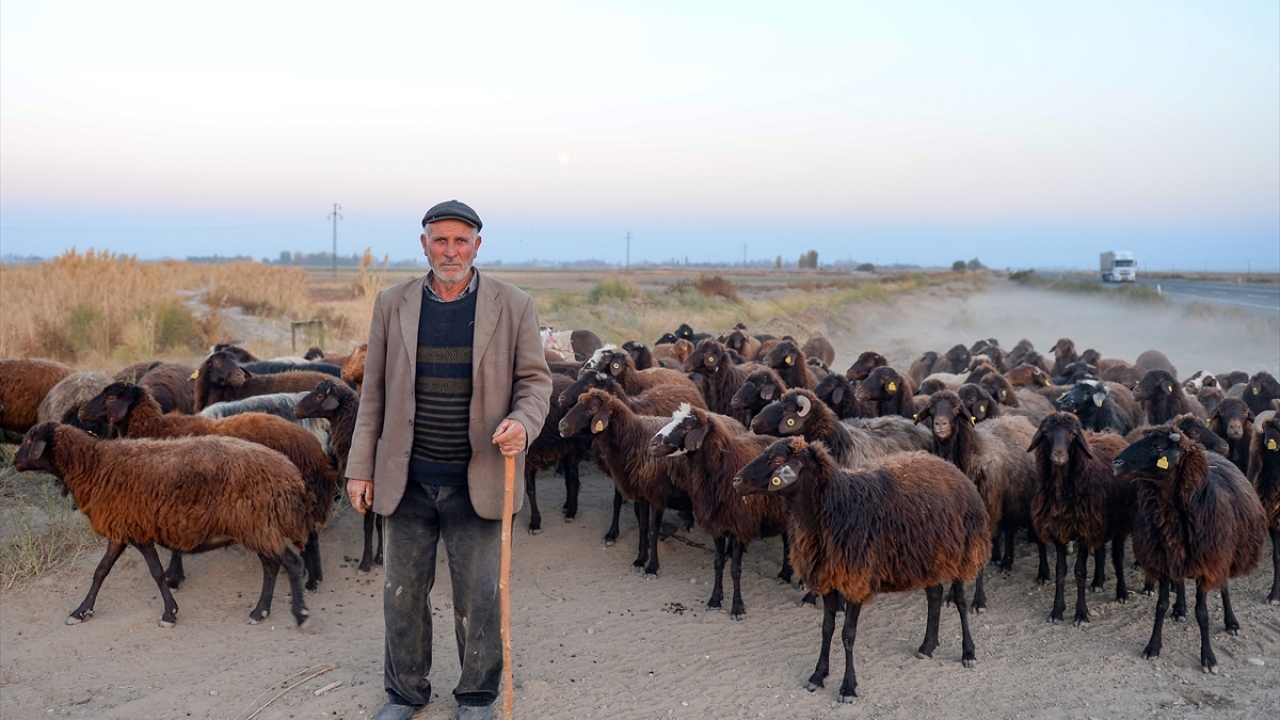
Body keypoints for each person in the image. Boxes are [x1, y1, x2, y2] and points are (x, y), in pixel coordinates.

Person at [344, 200, 552, 720]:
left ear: (477, 245)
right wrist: (360, 468)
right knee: (401, 595)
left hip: (478, 477)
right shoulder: (393, 304)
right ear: (424, 244)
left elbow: (535, 383)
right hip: (407, 477)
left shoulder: (514, 304)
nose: (451, 250)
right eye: (441, 240)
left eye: (461, 240)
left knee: (479, 596)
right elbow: (373, 393)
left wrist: (522, 425)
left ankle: (477, 696)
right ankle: (404, 693)